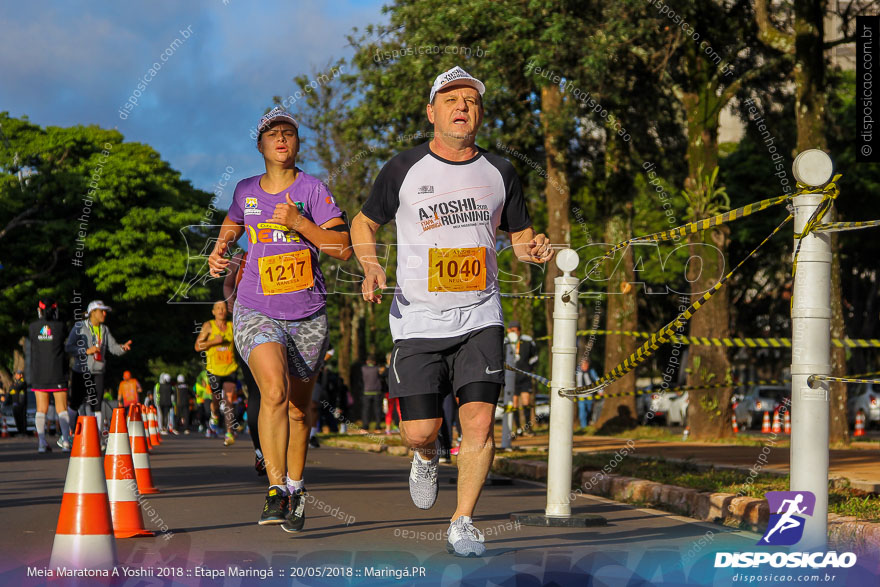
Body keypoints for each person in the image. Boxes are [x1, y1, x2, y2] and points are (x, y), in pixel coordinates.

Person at [351, 66, 554, 557]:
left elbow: (520, 236)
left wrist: (535, 246)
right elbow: (363, 221)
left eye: (470, 100)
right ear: (431, 112)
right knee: (421, 430)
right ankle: (425, 455)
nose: (461, 107)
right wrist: (372, 266)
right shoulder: (403, 168)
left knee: (479, 425)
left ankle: (463, 520)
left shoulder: (501, 172)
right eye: (451, 99)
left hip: (481, 315)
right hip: (418, 318)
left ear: (479, 113)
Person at [207, 107, 351, 532]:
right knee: (272, 390)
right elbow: (233, 224)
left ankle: (297, 485)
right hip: (256, 307)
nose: (282, 140)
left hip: (307, 313)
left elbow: (342, 247)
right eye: (274, 135)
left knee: (298, 410)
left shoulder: (312, 189)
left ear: (297, 144)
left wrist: (300, 222)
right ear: (261, 145)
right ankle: (275, 490)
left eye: (289, 133)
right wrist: (221, 248)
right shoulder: (246, 189)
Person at [223, 251, 266, 474]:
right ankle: (261, 451)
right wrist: (232, 304)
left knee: (284, 394)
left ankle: (279, 451)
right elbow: (228, 285)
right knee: (258, 392)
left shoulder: (290, 244)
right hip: (250, 330)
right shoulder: (241, 256)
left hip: (288, 326)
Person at [65, 300, 132, 436]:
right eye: (101, 311)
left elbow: (113, 348)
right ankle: (69, 433)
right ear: (92, 313)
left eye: (105, 311)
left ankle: (97, 436)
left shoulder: (104, 330)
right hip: (81, 371)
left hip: (98, 371)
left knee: (97, 404)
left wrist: (122, 348)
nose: (104, 314)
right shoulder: (79, 326)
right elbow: (68, 347)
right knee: (75, 403)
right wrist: (86, 350)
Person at [26, 299, 72, 452]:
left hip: (39, 373)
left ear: (39, 310)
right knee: (62, 408)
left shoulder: (32, 327)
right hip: (57, 372)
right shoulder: (61, 327)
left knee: (41, 409)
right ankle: (65, 441)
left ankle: (41, 443)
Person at [195, 300, 239, 446]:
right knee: (216, 399)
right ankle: (214, 413)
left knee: (229, 400)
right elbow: (197, 346)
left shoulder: (232, 327)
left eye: (224, 308)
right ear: (213, 312)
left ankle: (229, 433)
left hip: (230, 368)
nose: (221, 310)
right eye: (218, 308)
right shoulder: (209, 326)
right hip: (213, 370)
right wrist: (213, 342)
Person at [507, 320, 538, 436]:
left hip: (524, 375)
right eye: (512, 329)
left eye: (516, 329)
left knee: (526, 401)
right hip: (512, 377)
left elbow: (535, 357)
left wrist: (529, 368)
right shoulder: (507, 341)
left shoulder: (527, 340)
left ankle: (527, 428)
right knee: (514, 403)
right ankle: (517, 428)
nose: (514, 331)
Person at [360, 355, 383, 433]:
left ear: (367, 361)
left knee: (366, 410)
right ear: (374, 362)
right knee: (377, 410)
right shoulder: (377, 369)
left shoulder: (363, 369)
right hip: (377, 392)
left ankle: (365, 427)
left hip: (366, 392)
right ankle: (378, 427)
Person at [576, 358, 599, 429]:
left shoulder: (591, 372)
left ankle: (588, 424)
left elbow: (597, 381)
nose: (585, 366)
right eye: (583, 364)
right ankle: (584, 427)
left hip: (589, 395)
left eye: (586, 364)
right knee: (582, 411)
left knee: (589, 411)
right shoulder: (577, 373)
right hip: (581, 396)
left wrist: (600, 391)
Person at [9, 370, 28, 439]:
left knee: (22, 418)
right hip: (16, 403)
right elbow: (11, 390)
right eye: (16, 374)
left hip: (21, 403)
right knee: (17, 418)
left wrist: (14, 388)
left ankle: (23, 432)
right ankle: (19, 431)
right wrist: (14, 388)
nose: (16, 376)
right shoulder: (16, 383)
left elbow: (17, 388)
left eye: (17, 374)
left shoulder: (23, 382)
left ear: (21, 375)